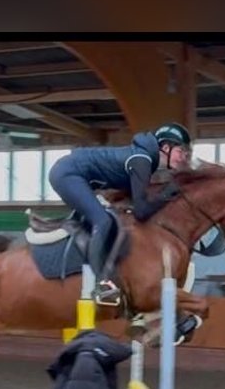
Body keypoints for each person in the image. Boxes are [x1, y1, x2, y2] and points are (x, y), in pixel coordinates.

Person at [47, 123, 192, 304]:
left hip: (75, 174)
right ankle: (101, 283)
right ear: (165, 148)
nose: (184, 158)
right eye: (181, 151)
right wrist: (165, 195)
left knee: (107, 217)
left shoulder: (145, 159)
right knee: (103, 221)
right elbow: (141, 211)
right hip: (67, 174)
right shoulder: (142, 160)